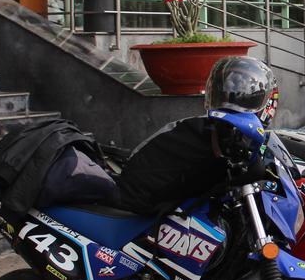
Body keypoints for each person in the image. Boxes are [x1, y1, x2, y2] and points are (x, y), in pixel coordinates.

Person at [116, 56, 279, 211]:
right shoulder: (206, 132)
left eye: (242, 92)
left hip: (140, 201)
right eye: (227, 89)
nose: (231, 97)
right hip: (143, 210)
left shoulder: (205, 129)